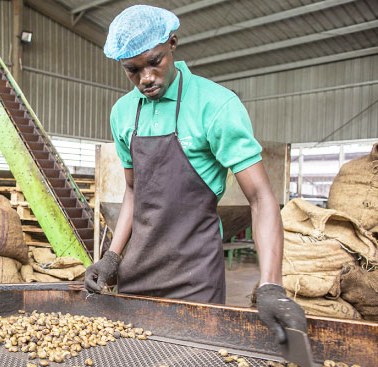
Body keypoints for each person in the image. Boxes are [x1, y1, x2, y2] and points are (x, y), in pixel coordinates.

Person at [85, 5, 307, 344]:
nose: (145, 78)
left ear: (172, 44)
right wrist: (112, 257)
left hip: (195, 277)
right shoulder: (122, 113)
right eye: (132, 69)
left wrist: (271, 284)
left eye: (154, 62)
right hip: (138, 272)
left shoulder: (216, 105)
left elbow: (261, 198)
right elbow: (134, 191)